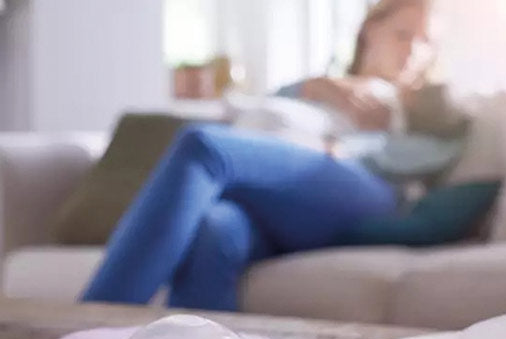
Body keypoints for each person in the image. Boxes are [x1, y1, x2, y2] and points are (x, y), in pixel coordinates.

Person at [82, 0, 473, 312]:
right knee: (217, 227)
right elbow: (264, 111)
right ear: (371, 30)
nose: (413, 51)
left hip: (356, 184)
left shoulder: (419, 102)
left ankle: (87, 328)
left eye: (426, 42)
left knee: (204, 146)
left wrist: (351, 146)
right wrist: (314, 86)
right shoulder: (320, 84)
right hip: (277, 198)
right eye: (403, 35)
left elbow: (439, 149)